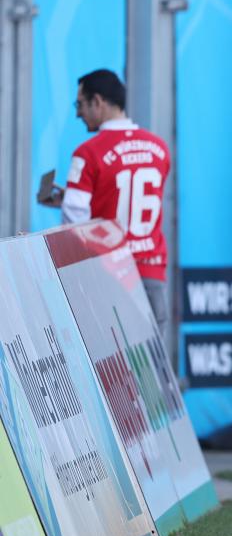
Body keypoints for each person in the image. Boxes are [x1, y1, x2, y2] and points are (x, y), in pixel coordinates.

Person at [61, 69, 172, 338]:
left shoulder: (87, 153)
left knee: (113, 373)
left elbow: (74, 220)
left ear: (97, 102)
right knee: (152, 372)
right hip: (151, 271)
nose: (78, 113)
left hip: (108, 277)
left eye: (80, 104)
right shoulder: (159, 148)